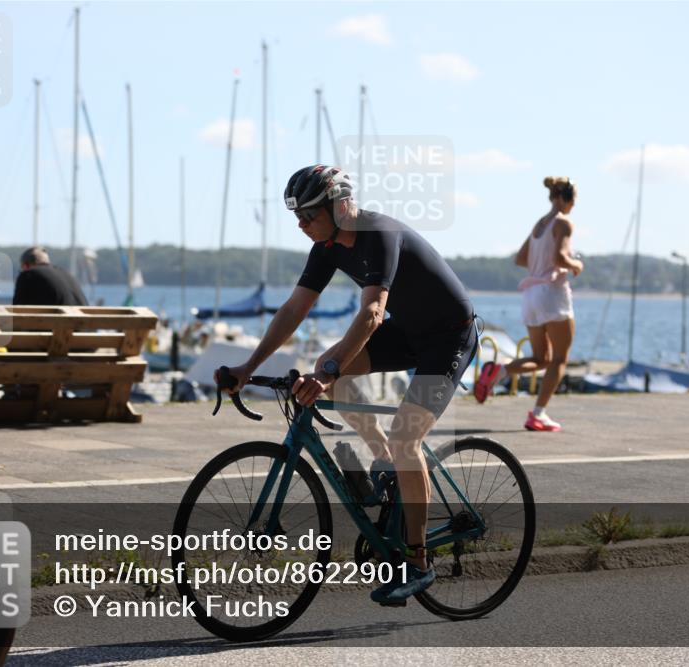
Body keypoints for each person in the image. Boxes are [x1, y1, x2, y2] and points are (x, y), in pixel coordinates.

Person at [217, 165, 477, 605]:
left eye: (309, 216)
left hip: (449, 337)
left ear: (340, 206)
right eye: (296, 218)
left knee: (405, 436)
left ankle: (417, 563)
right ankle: (382, 463)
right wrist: (247, 365)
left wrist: (328, 373)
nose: (301, 226)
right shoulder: (327, 245)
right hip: (410, 333)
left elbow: (372, 314)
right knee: (328, 363)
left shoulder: (379, 234)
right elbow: (295, 308)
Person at [474, 176, 584, 432]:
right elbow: (560, 256)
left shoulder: (540, 224)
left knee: (541, 358)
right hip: (552, 293)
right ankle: (538, 413)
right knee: (559, 359)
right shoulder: (564, 223)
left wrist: (540, 262)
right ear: (566, 199)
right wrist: (576, 264)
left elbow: (520, 258)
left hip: (531, 295)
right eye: (574, 201)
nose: (573, 206)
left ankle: (500, 371)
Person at [13, 247, 88, 306]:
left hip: (60, 324)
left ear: (25, 265)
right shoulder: (66, 274)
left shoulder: (28, 274)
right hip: (85, 324)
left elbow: (17, 311)